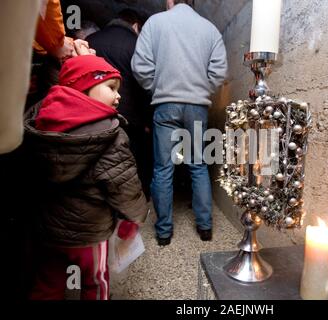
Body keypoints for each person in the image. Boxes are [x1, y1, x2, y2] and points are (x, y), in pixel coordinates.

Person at [25, 55, 149, 300]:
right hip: (90, 233)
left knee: (48, 282)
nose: (118, 95)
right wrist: (134, 218)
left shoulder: (41, 123)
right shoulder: (110, 134)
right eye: (111, 87)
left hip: (49, 229)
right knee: (96, 282)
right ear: (83, 90)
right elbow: (124, 185)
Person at [131, 0, 227, 245]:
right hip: (197, 107)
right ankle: (205, 228)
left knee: (163, 168)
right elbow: (219, 72)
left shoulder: (155, 23)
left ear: (170, 1)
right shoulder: (209, 28)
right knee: (198, 165)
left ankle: (164, 233)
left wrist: (158, 88)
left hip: (165, 104)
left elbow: (140, 66)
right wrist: (201, 91)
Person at [88, 9, 153, 200]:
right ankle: (135, 199)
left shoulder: (92, 40)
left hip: (94, 114)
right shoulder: (137, 45)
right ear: (135, 26)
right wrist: (147, 118)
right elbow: (144, 84)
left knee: (98, 159)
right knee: (132, 160)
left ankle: (101, 199)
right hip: (130, 117)